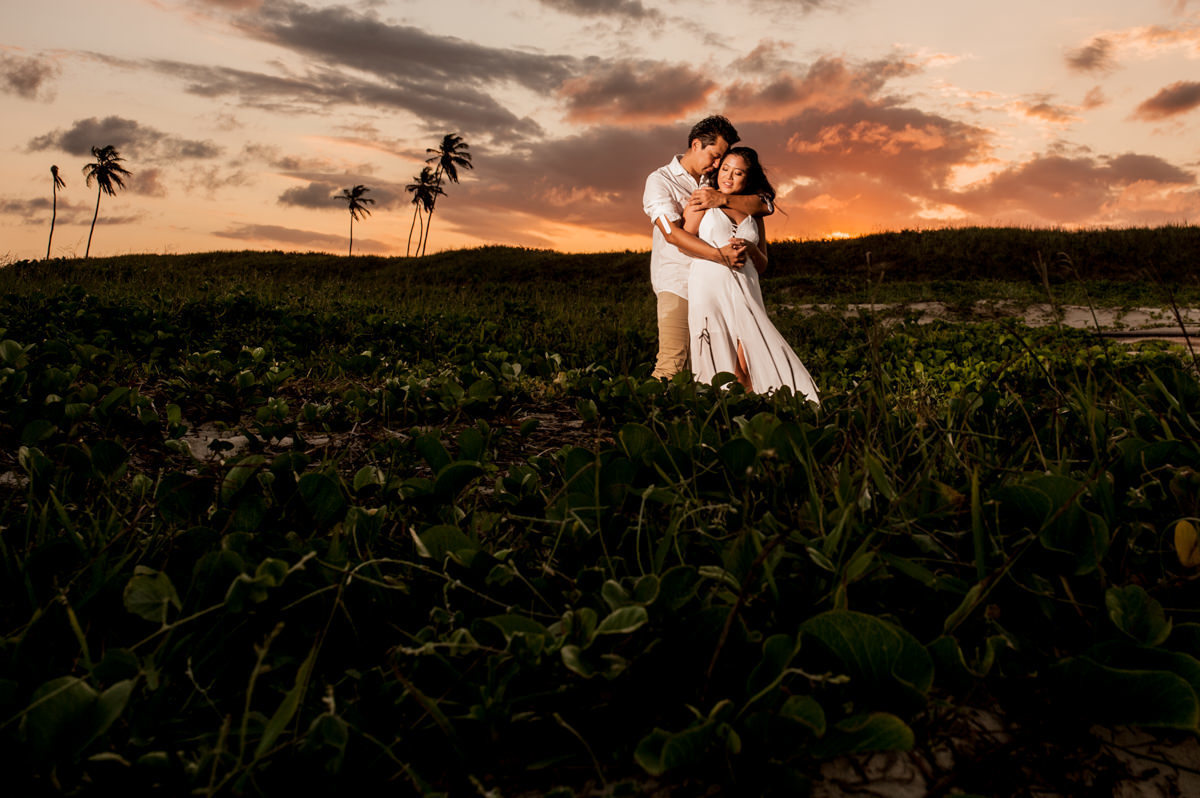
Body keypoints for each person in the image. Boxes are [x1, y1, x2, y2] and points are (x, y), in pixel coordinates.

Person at [683, 146, 819, 402]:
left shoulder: (755, 212)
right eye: (725, 169)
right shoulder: (702, 201)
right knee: (726, 360)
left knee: (751, 359)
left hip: (746, 288)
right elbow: (684, 242)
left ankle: (761, 408)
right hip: (710, 285)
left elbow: (763, 263)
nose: (728, 177)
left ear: (749, 178)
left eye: (738, 173)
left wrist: (750, 248)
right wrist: (717, 252)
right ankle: (728, 412)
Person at [642, 116, 771, 379]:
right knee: (673, 362)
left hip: (715, 287)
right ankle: (643, 417)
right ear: (696, 144)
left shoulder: (712, 181)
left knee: (712, 363)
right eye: (714, 157)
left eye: (721, 161)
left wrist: (722, 197)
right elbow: (673, 235)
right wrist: (719, 255)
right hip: (678, 281)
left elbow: (765, 204)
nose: (716, 165)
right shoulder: (661, 181)